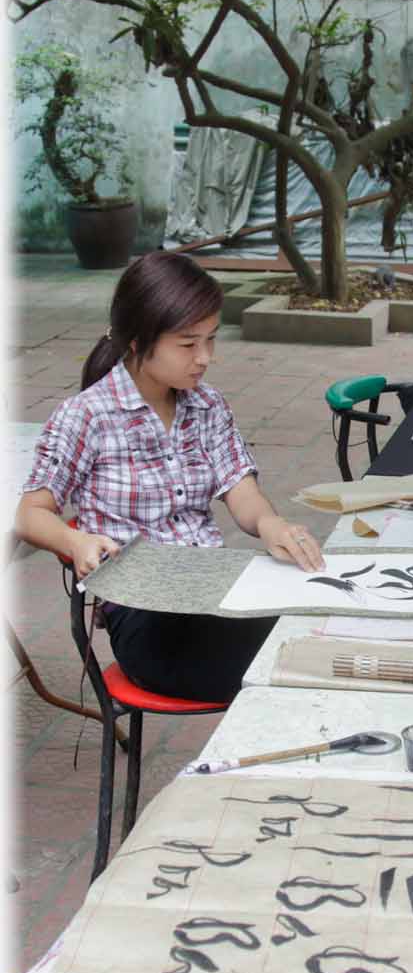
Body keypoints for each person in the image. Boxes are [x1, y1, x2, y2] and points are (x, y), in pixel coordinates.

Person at [16, 251, 324, 703]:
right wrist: (76, 542)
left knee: (308, 632)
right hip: (148, 619)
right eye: (188, 344)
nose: (205, 358)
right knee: (293, 663)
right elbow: (30, 513)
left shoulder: (207, 405)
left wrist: (270, 525)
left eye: (211, 340)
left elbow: (241, 490)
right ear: (138, 341)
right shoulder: (88, 416)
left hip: (214, 591)